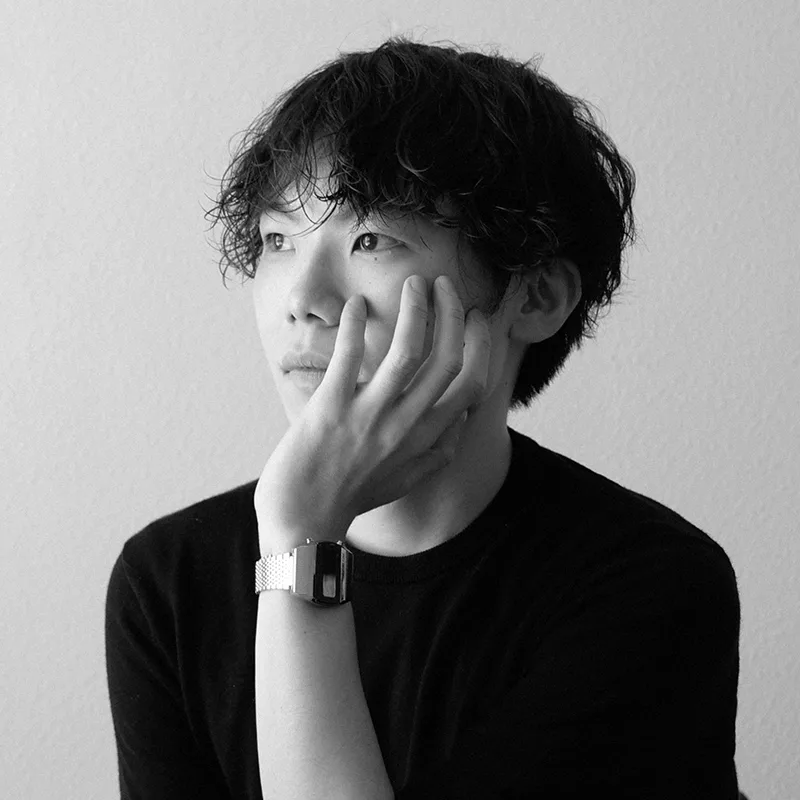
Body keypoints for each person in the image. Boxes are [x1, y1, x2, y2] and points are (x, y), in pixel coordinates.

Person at [105, 38, 742, 799]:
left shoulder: (652, 587)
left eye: (370, 239)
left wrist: (302, 547)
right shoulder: (170, 583)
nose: (301, 298)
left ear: (536, 296)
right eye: (277, 240)